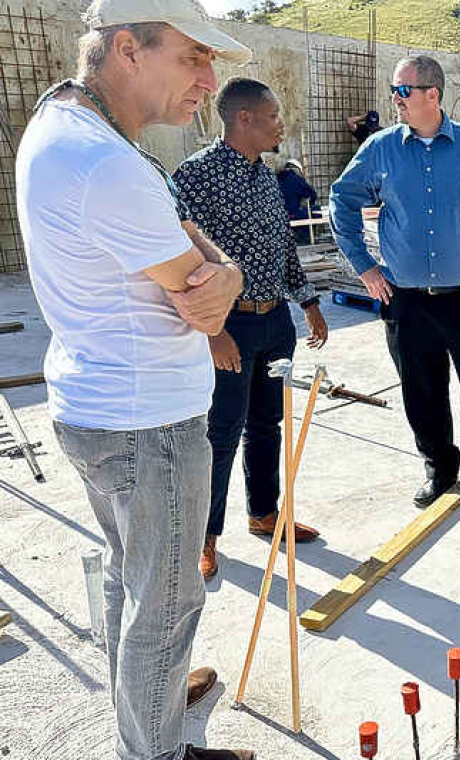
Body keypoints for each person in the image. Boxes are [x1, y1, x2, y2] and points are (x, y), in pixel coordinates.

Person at [15, 1, 256, 758]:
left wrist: (214, 265)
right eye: (192, 58)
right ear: (128, 48)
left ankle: (144, 708)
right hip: (145, 421)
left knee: (134, 583)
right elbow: (206, 296)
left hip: (104, 407)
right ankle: (154, 747)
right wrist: (232, 269)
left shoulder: (70, 125)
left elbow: (183, 238)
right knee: (170, 602)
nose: (207, 81)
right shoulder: (102, 162)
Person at [329, 55, 460, 506]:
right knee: (421, 394)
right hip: (406, 300)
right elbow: (340, 200)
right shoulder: (380, 149)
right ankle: (439, 465)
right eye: (394, 91)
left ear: (432, 95)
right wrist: (364, 267)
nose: (395, 100)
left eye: (402, 91)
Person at [174, 77, 329, 581]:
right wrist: (212, 329)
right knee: (221, 433)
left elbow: (282, 245)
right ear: (243, 119)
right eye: (273, 116)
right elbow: (184, 261)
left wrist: (306, 302)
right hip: (230, 324)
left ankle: (264, 514)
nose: (281, 124)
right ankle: (206, 536)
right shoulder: (196, 177)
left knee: (267, 425)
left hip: (274, 324)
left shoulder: (267, 175)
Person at [277, 157, 319, 242]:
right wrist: (309, 203)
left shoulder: (275, 178)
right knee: (316, 210)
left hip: (278, 216)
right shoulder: (295, 178)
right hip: (292, 215)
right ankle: (305, 237)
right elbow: (312, 194)